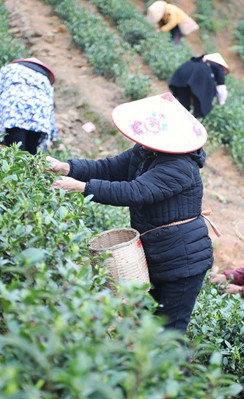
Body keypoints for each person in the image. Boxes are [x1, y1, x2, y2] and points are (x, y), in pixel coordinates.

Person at [45, 92, 213, 334]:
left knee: (170, 333)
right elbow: (110, 168)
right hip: (157, 253)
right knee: (147, 326)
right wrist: (67, 167)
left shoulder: (180, 166)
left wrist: (81, 187)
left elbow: (135, 191)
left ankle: (176, 372)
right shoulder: (146, 151)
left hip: (183, 261)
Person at [0, 57, 58, 155]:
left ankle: (15, 169)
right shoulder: (45, 79)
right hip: (39, 118)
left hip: (14, 112)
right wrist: (54, 136)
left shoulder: (10, 69)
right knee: (31, 154)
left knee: (16, 151)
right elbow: (50, 108)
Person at [168, 53, 230, 118]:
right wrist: (221, 102)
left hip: (181, 79)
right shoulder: (218, 69)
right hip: (195, 82)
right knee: (185, 111)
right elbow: (221, 88)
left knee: (182, 106)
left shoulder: (195, 63)